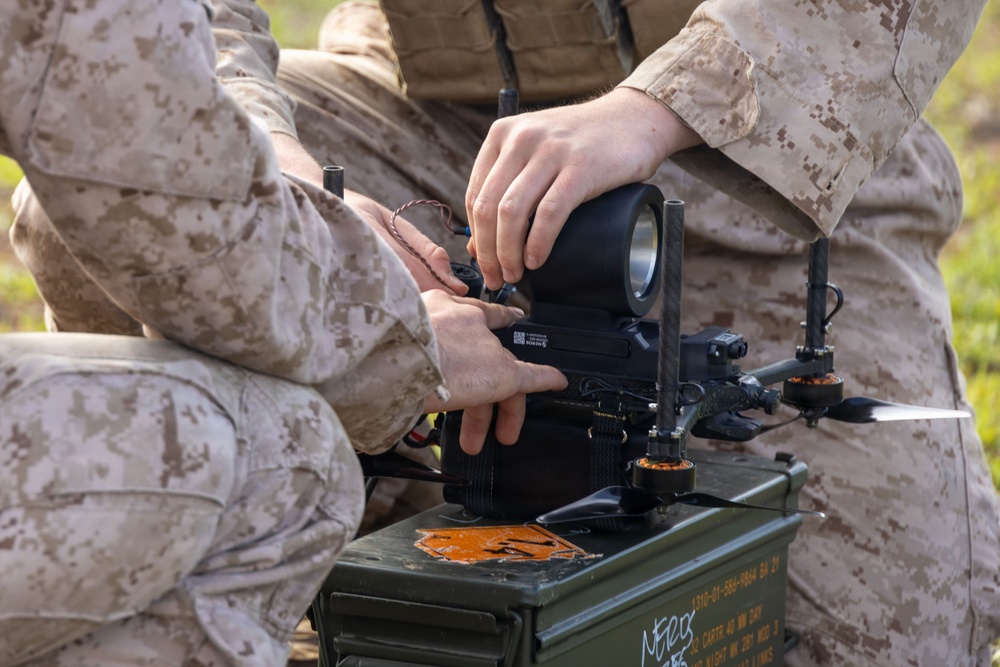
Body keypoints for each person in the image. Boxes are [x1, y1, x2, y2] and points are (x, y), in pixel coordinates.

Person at [267, 1, 1000, 665]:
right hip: (424, 128)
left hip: (765, 158)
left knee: (890, 640)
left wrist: (660, 107)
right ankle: (364, 518)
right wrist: (280, 176)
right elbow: (204, 32)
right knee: (226, 217)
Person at [0, 1, 566, 665]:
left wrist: (650, 107)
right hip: (410, 94)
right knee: (292, 453)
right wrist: (412, 344)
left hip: (650, 144)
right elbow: (168, 219)